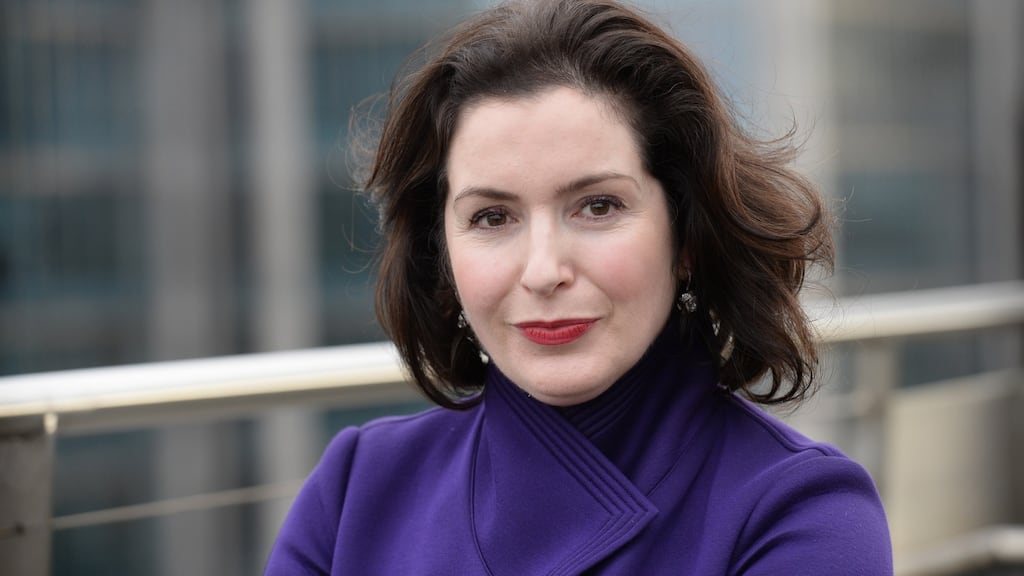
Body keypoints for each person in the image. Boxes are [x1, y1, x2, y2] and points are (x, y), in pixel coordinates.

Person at [266, 0, 893, 574]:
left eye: (597, 207)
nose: (543, 271)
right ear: (443, 253)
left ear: (688, 235)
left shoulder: (804, 513)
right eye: (492, 217)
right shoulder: (358, 488)